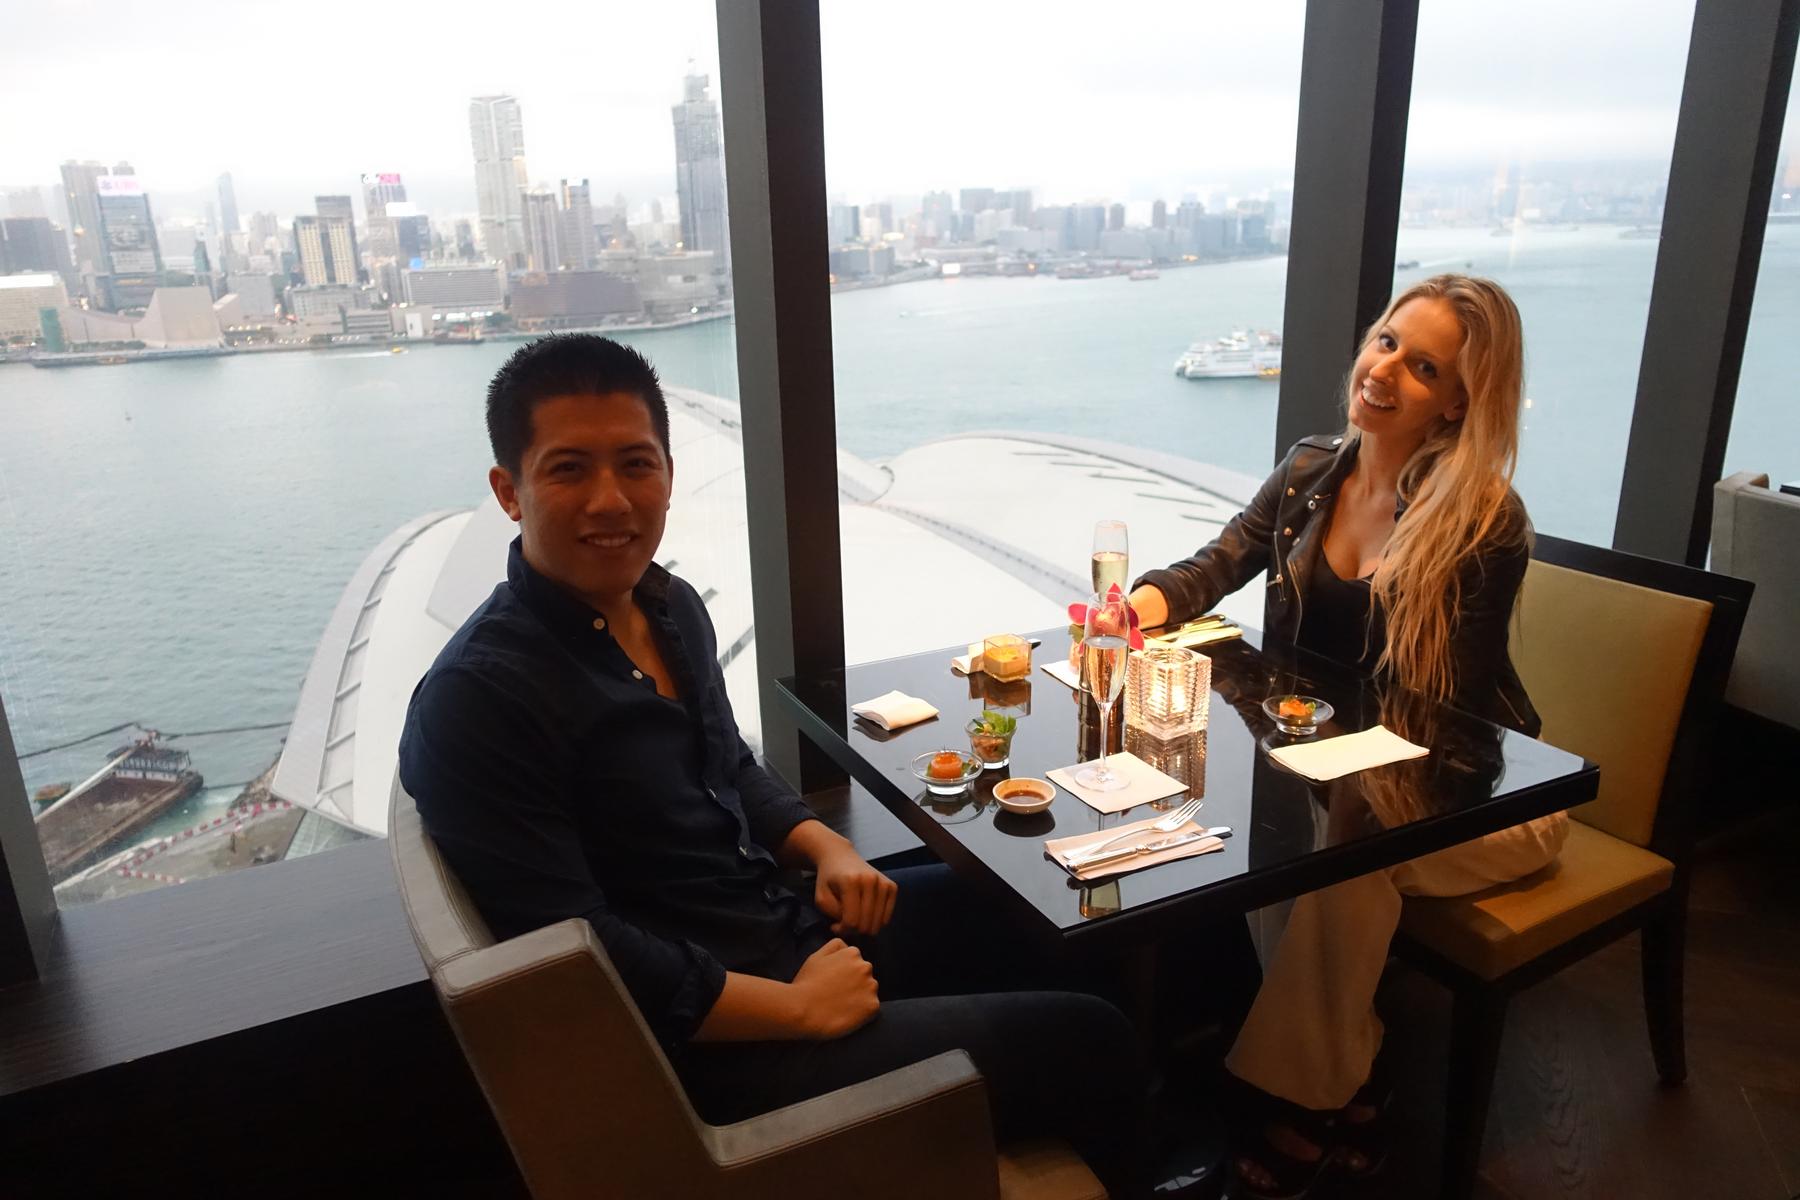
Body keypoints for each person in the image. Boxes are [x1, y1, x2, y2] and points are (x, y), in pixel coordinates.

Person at [397, 334, 1147, 1192]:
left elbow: (729, 768)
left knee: (1055, 912)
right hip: (719, 1045)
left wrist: (827, 849)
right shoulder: (482, 698)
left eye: (636, 464)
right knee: (1093, 1041)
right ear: (510, 490)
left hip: (781, 926)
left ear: (668, 474)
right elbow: (576, 955)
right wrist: (796, 1009)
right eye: (569, 470)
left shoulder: (667, 606)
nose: (611, 500)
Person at [1130, 275, 1569, 1197]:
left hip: (1481, 798)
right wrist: (1141, 605)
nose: (1386, 370)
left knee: (1345, 860)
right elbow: (1218, 562)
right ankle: (1350, 1088)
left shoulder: (1484, 522)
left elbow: (1449, 719)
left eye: (1424, 367)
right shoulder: (1309, 471)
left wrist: (1330, 776)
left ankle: (1293, 1102)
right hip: (1342, 784)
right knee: (1300, 834)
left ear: (1458, 403)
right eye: (1386, 342)